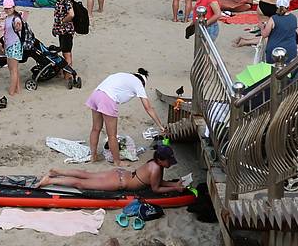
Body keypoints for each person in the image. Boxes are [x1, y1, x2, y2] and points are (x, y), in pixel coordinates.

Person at [36, 142, 187, 193]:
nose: (170, 164)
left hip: (119, 173)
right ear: (161, 160)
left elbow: (158, 183)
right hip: (119, 182)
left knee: (86, 175)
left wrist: (174, 184)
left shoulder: (154, 164)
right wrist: (175, 188)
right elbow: (155, 189)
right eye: (169, 161)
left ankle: (57, 172)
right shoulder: (156, 169)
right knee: (81, 183)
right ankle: (49, 180)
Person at [85, 68, 160, 165]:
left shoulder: (123, 75)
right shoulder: (138, 83)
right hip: (108, 98)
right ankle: (117, 162)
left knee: (95, 128)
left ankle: (93, 156)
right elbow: (148, 108)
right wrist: (160, 125)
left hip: (96, 94)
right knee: (112, 135)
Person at [51, 0, 79, 84]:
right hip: (62, 30)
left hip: (66, 30)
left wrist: (63, 21)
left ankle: (68, 75)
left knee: (67, 53)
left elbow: (71, 14)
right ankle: (66, 73)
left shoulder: (66, 0)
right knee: (64, 51)